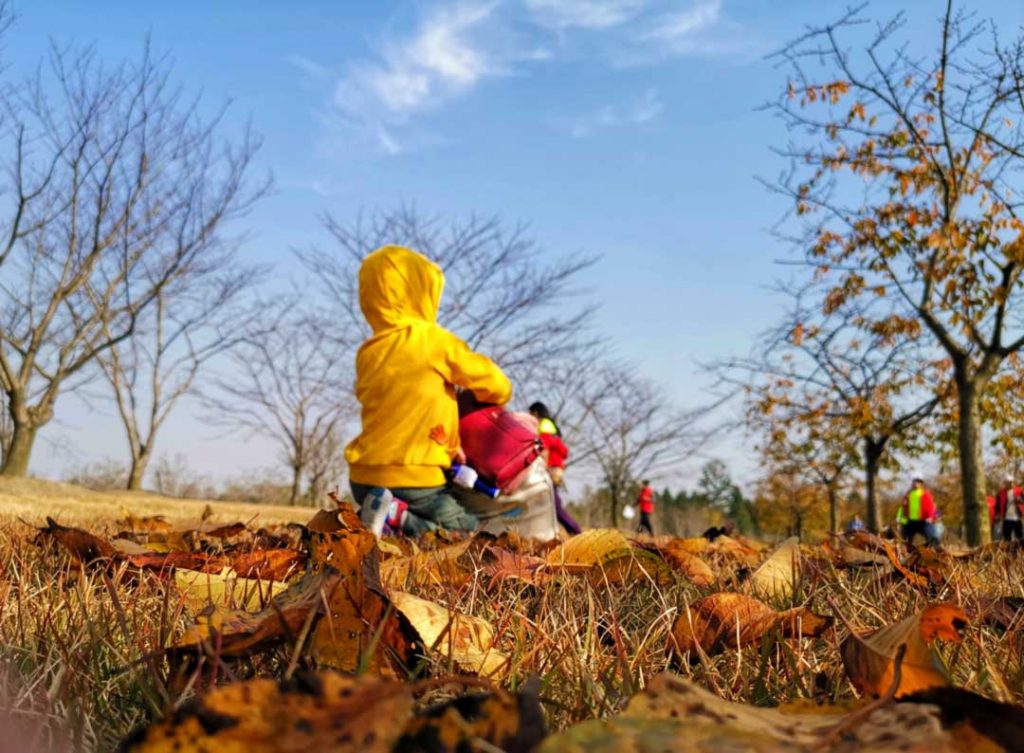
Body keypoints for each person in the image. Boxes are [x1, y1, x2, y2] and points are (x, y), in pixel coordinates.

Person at [345, 245, 513, 538]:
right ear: (421, 292)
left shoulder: (367, 352)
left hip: (363, 476)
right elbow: (493, 382)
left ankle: (375, 514)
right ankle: (397, 521)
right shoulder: (433, 341)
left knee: (393, 500)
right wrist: (496, 395)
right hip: (415, 474)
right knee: (467, 530)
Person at [528, 401, 582, 535]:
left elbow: (544, 448)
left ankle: (575, 531)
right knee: (548, 502)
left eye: (531, 414)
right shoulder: (550, 426)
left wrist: (541, 469)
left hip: (550, 469)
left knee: (553, 504)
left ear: (536, 413)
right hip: (555, 469)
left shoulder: (544, 425)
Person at [898, 474, 936, 545]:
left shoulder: (925, 494)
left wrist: (930, 517)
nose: (916, 483)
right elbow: (903, 507)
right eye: (915, 481)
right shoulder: (908, 494)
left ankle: (933, 550)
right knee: (905, 538)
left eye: (918, 482)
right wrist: (900, 518)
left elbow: (931, 506)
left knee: (930, 536)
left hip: (923, 521)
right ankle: (907, 551)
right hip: (910, 521)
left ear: (921, 484)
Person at [996, 475, 1024, 542]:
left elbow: (1023, 500)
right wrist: (997, 515)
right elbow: (997, 505)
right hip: (1006, 519)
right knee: (1007, 538)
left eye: (1012, 482)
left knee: (1019, 537)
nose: (1011, 484)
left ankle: (1019, 551)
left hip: (1017, 518)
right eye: (1009, 482)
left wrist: (1020, 500)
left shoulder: (1019, 491)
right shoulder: (1001, 493)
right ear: (1005, 483)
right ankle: (1008, 551)